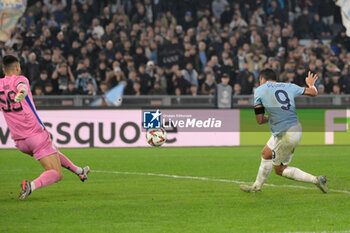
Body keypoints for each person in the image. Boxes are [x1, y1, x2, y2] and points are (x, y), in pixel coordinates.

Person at [0, 55, 90, 200]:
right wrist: (22, 93)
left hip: (19, 141)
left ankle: (79, 171)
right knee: (56, 173)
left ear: (4, 69)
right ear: (17, 68)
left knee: (53, 151)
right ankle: (31, 186)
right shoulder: (20, 79)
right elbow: (21, 87)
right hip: (35, 134)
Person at [240, 68, 328, 193]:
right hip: (295, 127)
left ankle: (316, 180)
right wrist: (311, 84)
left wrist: (270, 117)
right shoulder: (289, 86)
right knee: (266, 153)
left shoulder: (259, 90)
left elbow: (259, 120)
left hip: (285, 133)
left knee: (280, 170)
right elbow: (313, 93)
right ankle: (256, 187)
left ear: (262, 79)